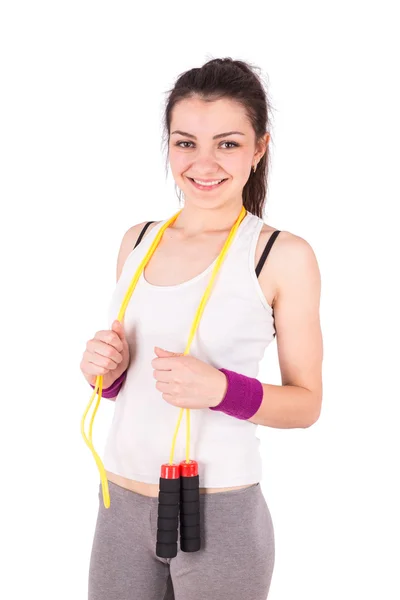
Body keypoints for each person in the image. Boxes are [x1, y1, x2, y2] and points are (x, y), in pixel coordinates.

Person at [80, 57, 323, 600]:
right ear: (168, 145)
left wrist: (220, 390)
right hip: (120, 504)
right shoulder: (137, 240)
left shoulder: (280, 256)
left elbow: (307, 404)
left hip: (220, 511)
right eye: (186, 143)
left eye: (228, 144)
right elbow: (132, 382)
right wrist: (107, 373)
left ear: (259, 148)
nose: (204, 162)